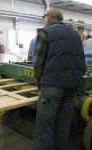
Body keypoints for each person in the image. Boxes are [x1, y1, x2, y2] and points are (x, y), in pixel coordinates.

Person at [33, 8, 86, 150]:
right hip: (72, 87)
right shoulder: (76, 35)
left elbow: (37, 65)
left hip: (52, 86)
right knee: (62, 127)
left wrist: (40, 86)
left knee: (44, 128)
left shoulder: (45, 33)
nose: (43, 20)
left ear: (49, 18)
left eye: (44, 17)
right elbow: (82, 65)